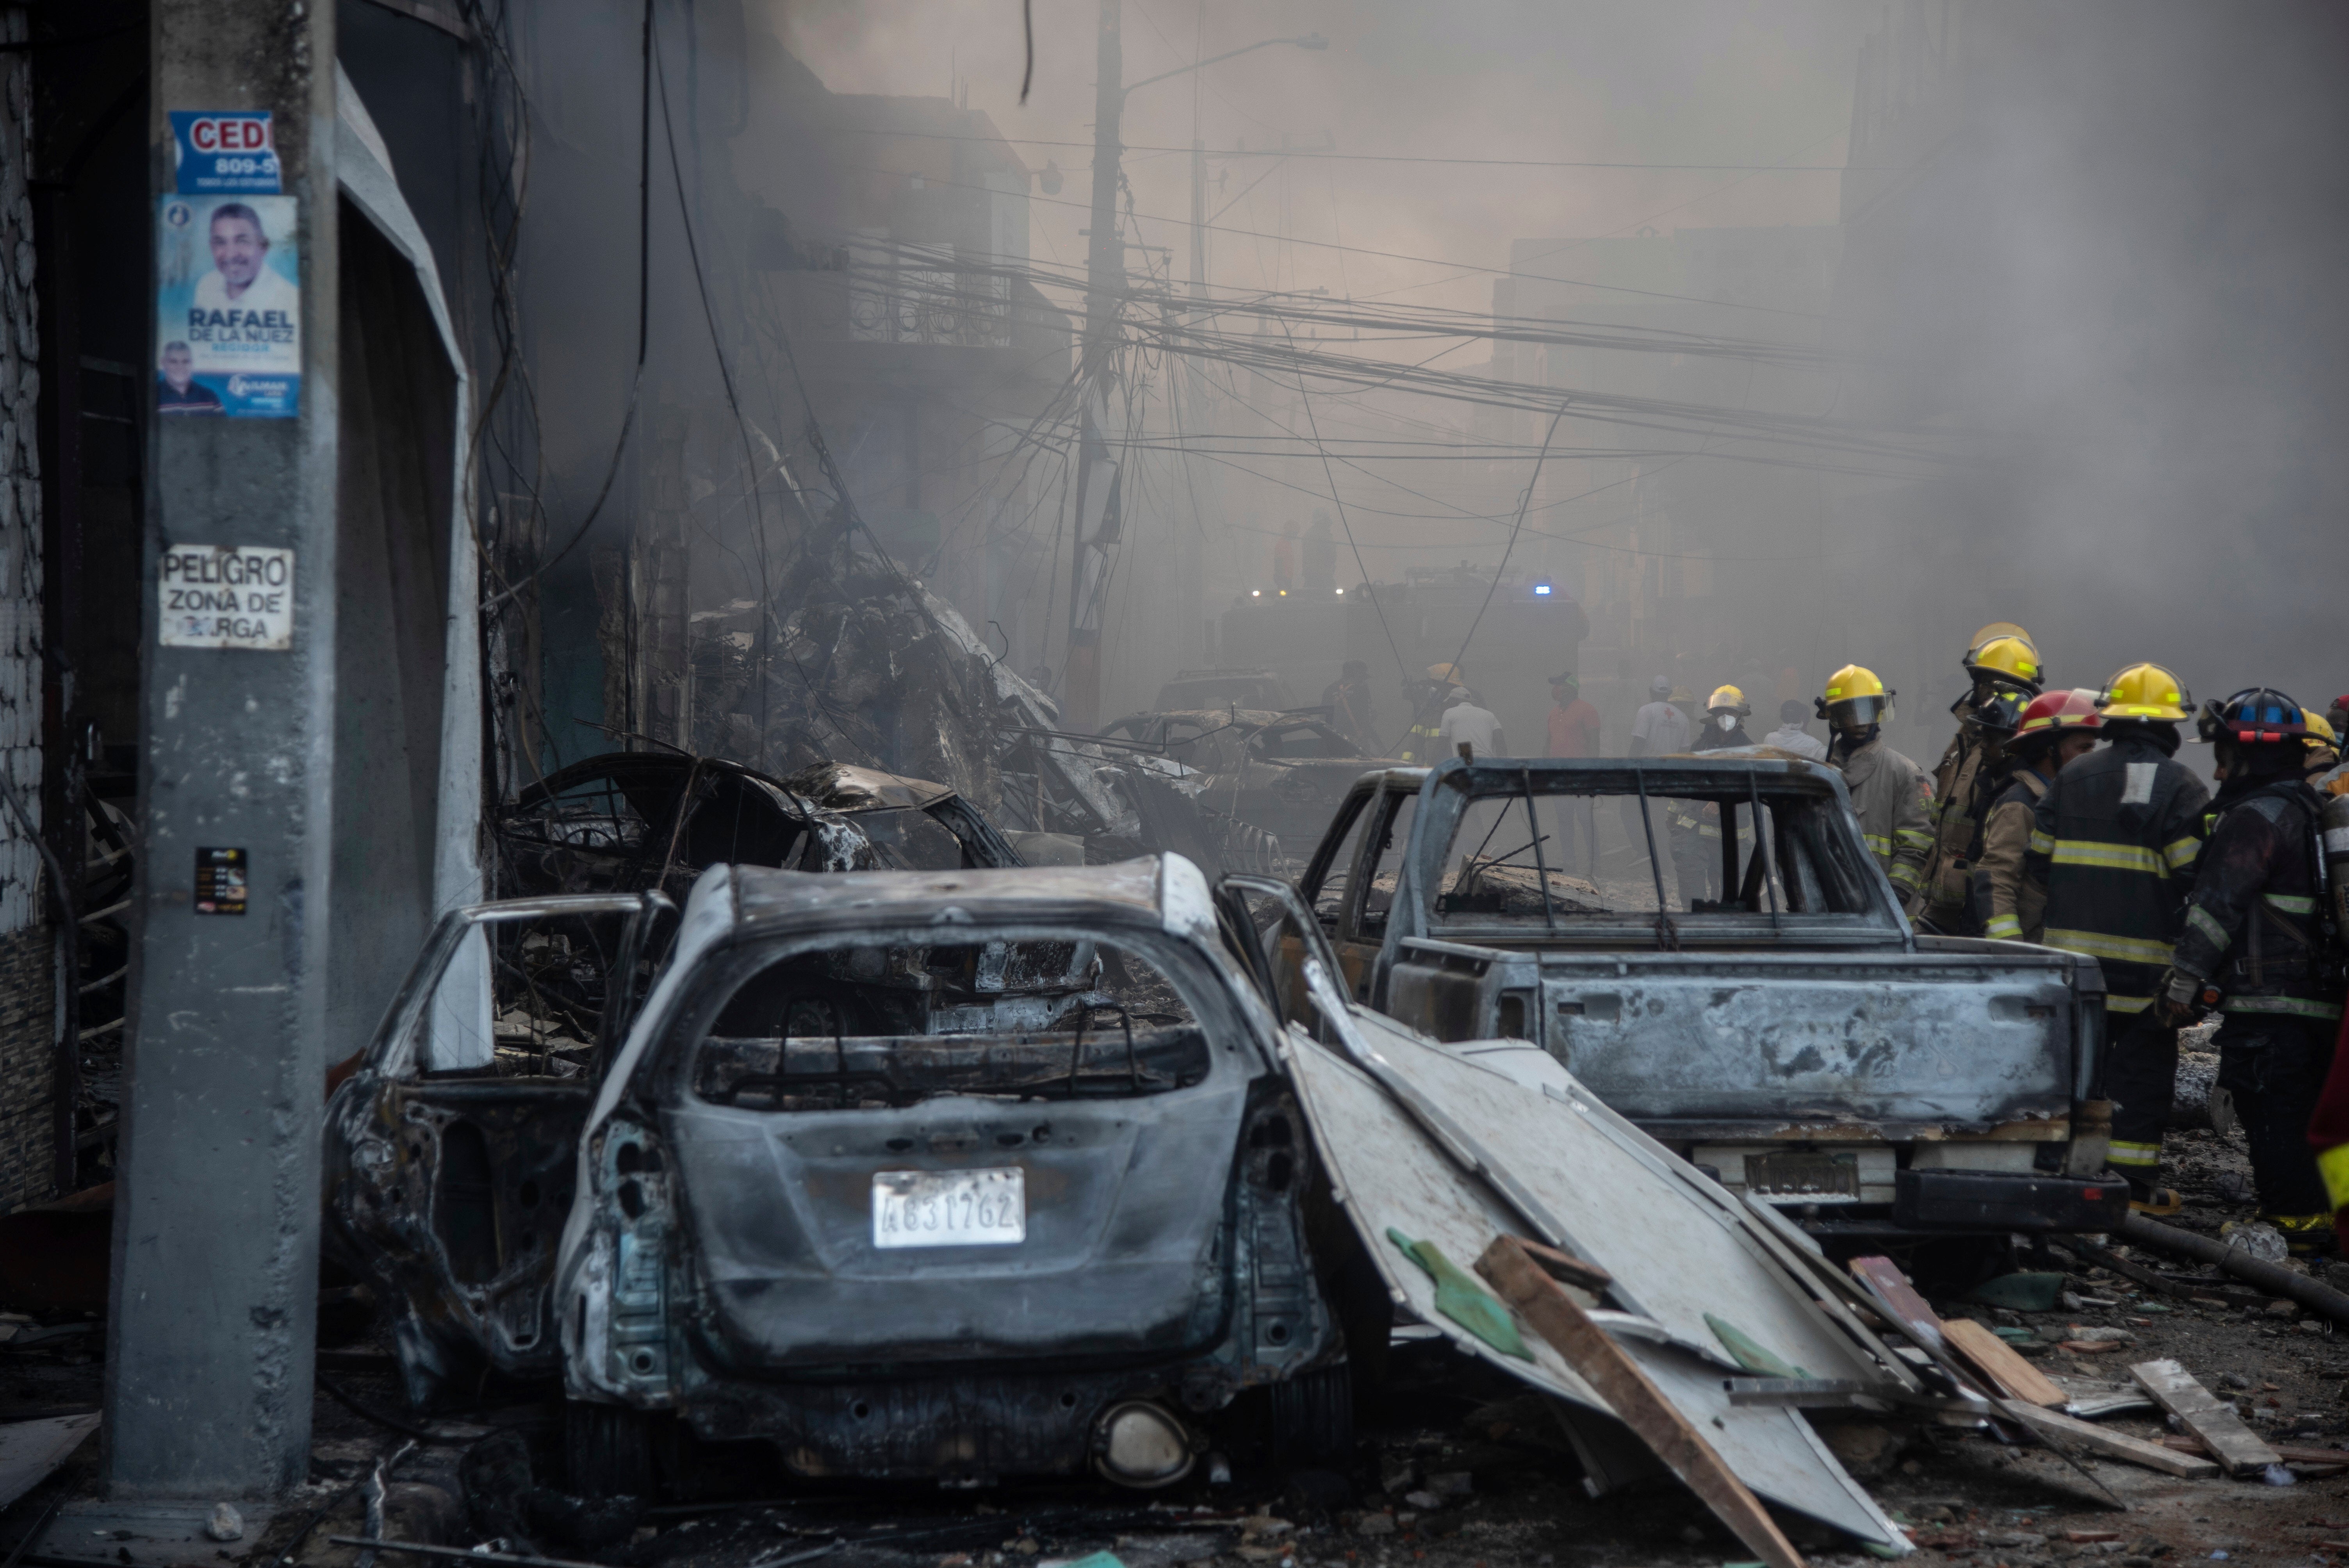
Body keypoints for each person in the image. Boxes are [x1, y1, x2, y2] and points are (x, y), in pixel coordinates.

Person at [2163, 690, 2342, 1254]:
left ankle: (2293, 1221)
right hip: (2322, 999)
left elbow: (2217, 908)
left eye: (2224, 755)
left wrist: (2181, 983)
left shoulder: (2255, 818)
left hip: (2269, 1000)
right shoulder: (2313, 809)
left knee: (2272, 1111)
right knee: (2317, 1115)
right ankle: (2332, 1217)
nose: (2218, 770)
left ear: (2252, 753)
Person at [2028, 662, 2210, 1213]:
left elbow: (2038, 862)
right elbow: (2194, 877)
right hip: (2145, 975)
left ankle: (2062, 1172)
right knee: (2142, 1079)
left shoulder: (2072, 776)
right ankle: (2129, 1191)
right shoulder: (2183, 786)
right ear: (2171, 725)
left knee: (2076, 1076)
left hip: (2075, 969)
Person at [1917, 631, 2046, 931]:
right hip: (1944, 896)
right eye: (1981, 681)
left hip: (1981, 898)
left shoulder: (2018, 747)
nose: (1983, 690)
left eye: (1992, 683)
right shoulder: (1967, 735)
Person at [1974, 688, 2103, 943]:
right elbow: (1997, 880)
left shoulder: (2073, 801)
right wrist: (2013, 951)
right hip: (2035, 951)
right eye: (2084, 748)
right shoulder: (2021, 804)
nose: (2092, 759)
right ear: (2050, 749)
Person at [1817, 665, 1933, 903]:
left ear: (1879, 712)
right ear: (1836, 718)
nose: (1861, 723)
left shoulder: (1905, 773)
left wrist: (1895, 894)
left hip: (1886, 910)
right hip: (1830, 904)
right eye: (1851, 713)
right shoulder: (1821, 773)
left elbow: (1919, 845)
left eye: (1868, 711)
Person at [1675, 686, 1757, 902]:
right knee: (1689, 870)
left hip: (1730, 829)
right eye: (1721, 712)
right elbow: (1685, 780)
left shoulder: (1749, 750)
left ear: (1741, 715)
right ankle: (1693, 919)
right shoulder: (1701, 744)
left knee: (1727, 882)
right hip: (1694, 823)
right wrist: (1673, 814)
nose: (1726, 717)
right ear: (1712, 714)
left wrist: (1722, 802)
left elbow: (1751, 786)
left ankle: (1726, 924)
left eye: (1731, 712)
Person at [196, 201, 298, 318]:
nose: (231, 255)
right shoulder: (207, 285)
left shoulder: (290, 300)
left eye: (242, 241)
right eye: (220, 242)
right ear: (212, 248)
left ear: (263, 247)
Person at [1546, 674, 1602, 875]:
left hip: (1581, 774)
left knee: (1585, 818)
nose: (1556, 690)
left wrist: (1592, 773)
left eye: (1559, 685)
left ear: (1571, 688)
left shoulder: (1587, 710)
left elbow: (1594, 743)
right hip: (1559, 776)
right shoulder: (1554, 712)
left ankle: (1595, 861)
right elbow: (1550, 742)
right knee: (1564, 819)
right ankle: (1569, 862)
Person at [1399, 662, 1467, 763]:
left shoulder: (1459, 712)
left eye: (1434, 683)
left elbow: (1466, 743)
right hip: (1432, 771)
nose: (1431, 688)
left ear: (1449, 686)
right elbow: (1415, 742)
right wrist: (1404, 766)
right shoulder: (1429, 710)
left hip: (1450, 771)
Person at [1321, 659, 1376, 751]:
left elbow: (1322, 718)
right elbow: (1366, 719)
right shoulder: (1361, 690)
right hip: (1355, 743)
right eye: (1363, 678)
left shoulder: (1329, 689)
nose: (1364, 681)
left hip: (1332, 742)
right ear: (1359, 676)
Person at [155, 339, 223, 415]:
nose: (180, 367)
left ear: (192, 363)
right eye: (174, 362)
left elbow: (223, 426)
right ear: (163, 363)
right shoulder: (152, 396)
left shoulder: (210, 397)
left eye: (186, 362)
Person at [1436, 686, 1505, 758]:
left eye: (1449, 702)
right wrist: (1502, 766)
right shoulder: (1489, 715)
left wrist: (1433, 767)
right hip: (1486, 764)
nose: (1448, 705)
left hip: (1466, 763)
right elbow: (1501, 745)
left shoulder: (1449, 713)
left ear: (1454, 700)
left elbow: (1441, 745)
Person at [1761, 698, 1828, 762]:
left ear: (1782, 717)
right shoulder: (1815, 745)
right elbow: (1827, 757)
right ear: (1801, 717)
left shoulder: (1770, 738)